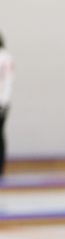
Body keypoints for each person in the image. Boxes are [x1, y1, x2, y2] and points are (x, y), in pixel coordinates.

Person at [0, 33, 12, 177]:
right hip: (4, 102)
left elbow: (6, 81)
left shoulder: (4, 57)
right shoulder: (7, 56)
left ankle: (1, 167)